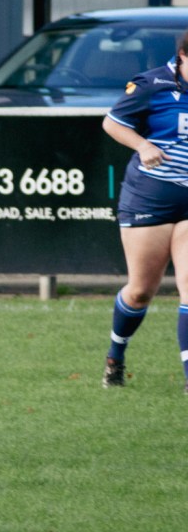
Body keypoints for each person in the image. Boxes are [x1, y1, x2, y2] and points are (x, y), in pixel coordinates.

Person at [101, 28, 188, 390]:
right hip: (149, 198)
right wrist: (143, 146)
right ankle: (115, 356)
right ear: (182, 57)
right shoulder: (152, 84)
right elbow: (112, 123)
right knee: (140, 291)